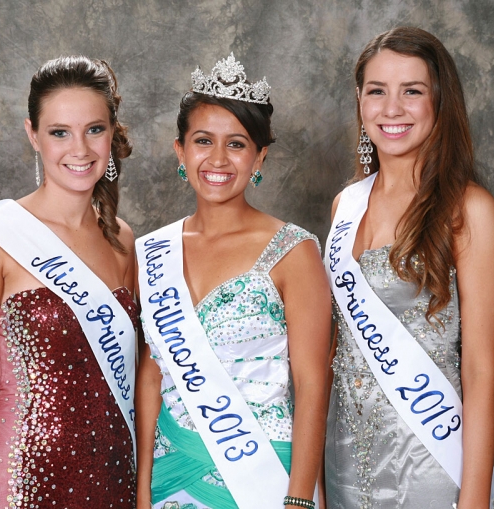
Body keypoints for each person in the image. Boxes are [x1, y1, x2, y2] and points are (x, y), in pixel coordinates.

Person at [135, 54, 331, 509]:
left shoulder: (294, 250)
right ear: (180, 150)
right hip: (170, 471)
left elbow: (312, 380)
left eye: (237, 144)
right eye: (203, 141)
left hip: (263, 475)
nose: (218, 159)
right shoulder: (151, 252)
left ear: (260, 155)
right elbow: (151, 377)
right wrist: (143, 489)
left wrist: (300, 498)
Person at [324, 27, 494, 509]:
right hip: (344, 460)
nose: (392, 109)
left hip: (429, 465)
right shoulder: (346, 205)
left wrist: (473, 501)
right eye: (377, 91)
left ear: (439, 102)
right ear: (360, 101)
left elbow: (481, 369)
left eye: (412, 91)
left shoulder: (469, 210)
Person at [0, 56, 138, 508]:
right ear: (33, 134)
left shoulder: (123, 241)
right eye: (59, 132)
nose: (80, 149)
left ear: (112, 132)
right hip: (23, 478)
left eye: (94, 129)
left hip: (113, 480)